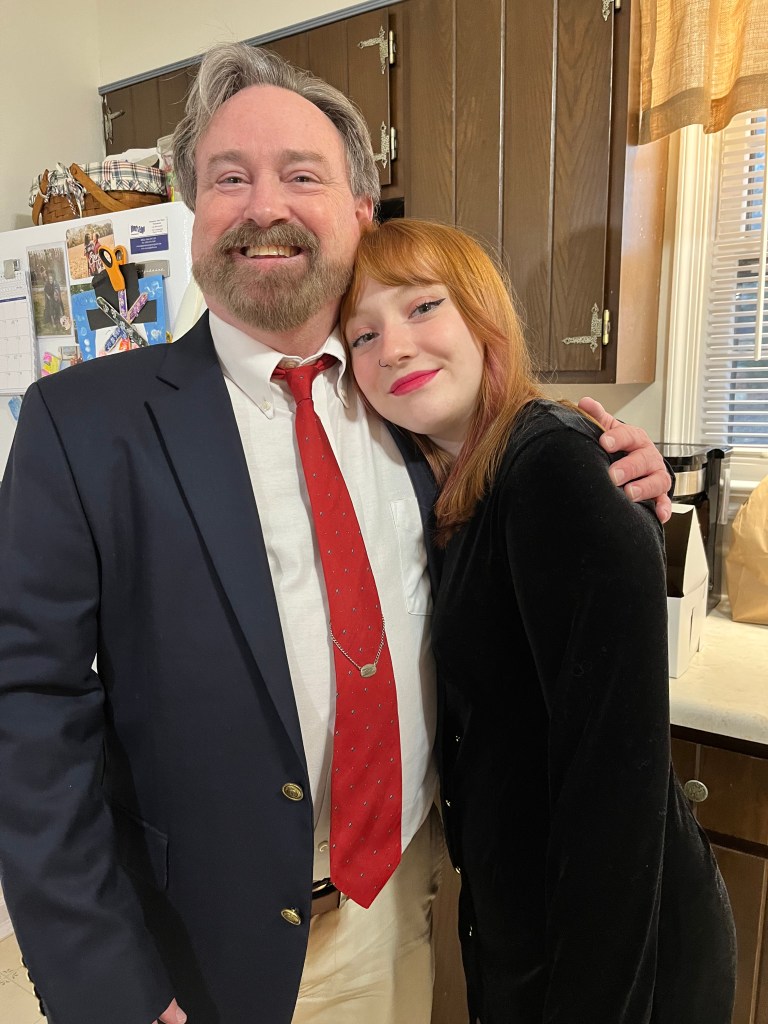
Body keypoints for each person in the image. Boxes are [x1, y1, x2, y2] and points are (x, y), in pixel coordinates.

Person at [0, 42, 672, 1024]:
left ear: (361, 211)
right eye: (229, 177)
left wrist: (619, 473)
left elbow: (531, 538)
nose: (263, 205)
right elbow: (27, 711)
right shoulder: (83, 424)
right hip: (195, 948)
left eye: (301, 175)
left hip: (402, 915)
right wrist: (108, 988)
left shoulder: (415, 413)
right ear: (193, 210)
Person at [340, 217, 737, 1024]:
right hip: (533, 925)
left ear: (482, 315)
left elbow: (614, 790)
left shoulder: (552, 467)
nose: (395, 349)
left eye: (422, 307)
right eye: (364, 335)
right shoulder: (459, 483)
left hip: (612, 955)